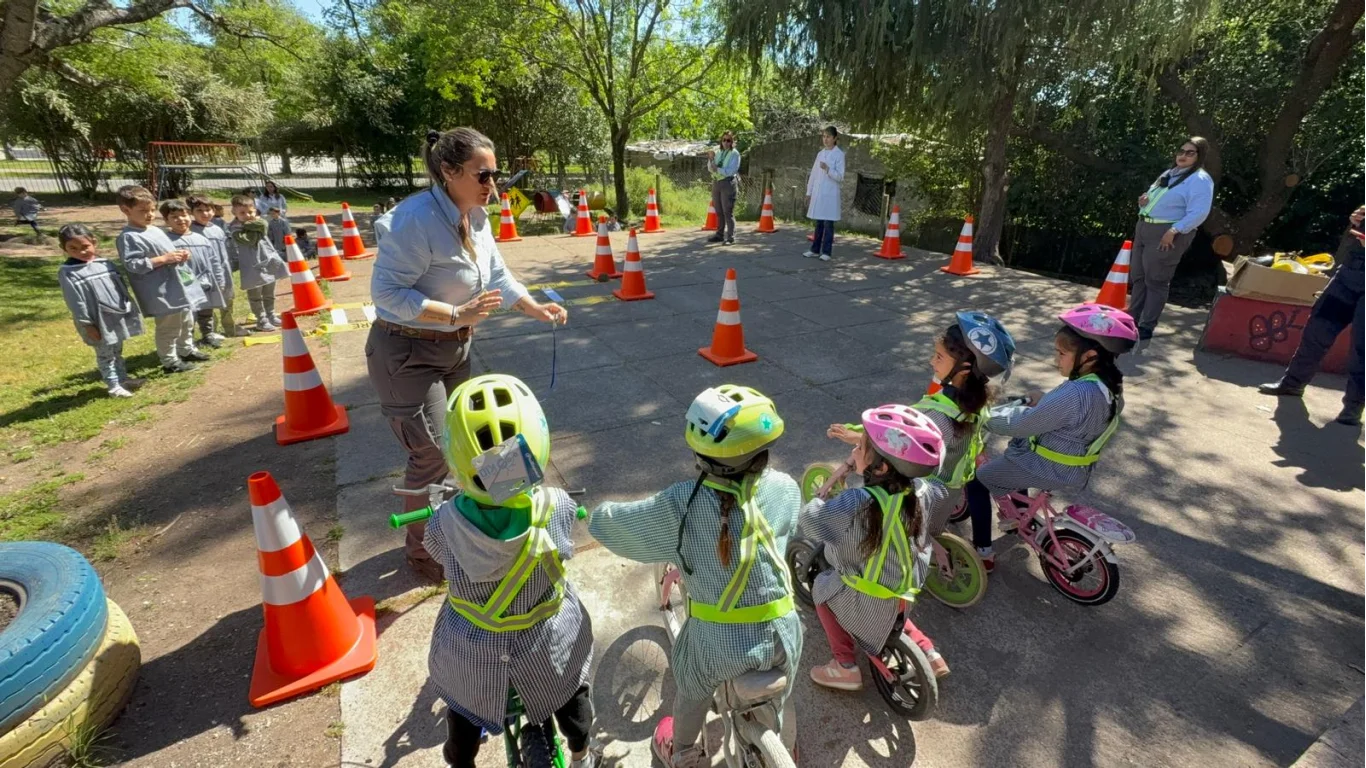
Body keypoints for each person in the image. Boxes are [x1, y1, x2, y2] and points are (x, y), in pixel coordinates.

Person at [368, 127, 567, 583]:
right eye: (483, 174)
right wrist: (455, 312)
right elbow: (386, 293)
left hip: (455, 349)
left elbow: (496, 273)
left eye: (495, 174)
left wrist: (533, 306)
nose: (492, 185)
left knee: (478, 443)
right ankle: (424, 554)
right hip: (407, 353)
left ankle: (485, 531)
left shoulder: (475, 216)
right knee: (432, 457)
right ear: (448, 171)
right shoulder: (413, 221)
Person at [589, 386, 801, 768]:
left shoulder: (681, 505)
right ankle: (784, 739)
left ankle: (684, 751)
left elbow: (617, 528)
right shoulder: (786, 489)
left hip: (718, 641)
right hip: (784, 632)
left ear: (701, 456)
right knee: (781, 692)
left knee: (691, 691)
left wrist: (592, 515)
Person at [426, 374, 597, 768]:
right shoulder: (558, 506)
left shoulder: (442, 524)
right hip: (547, 646)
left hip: (474, 653)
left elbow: (437, 554)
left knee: (463, 709)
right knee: (572, 691)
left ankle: (462, 761)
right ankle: (581, 753)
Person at [962, 304, 1137, 570]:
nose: (1057, 359)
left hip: (1048, 466)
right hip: (1073, 464)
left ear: (1088, 356)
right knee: (1013, 465)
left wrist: (981, 416)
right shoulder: (1107, 387)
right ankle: (1020, 514)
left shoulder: (1076, 394)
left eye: (1062, 353)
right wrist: (1043, 401)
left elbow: (1022, 424)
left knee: (977, 483)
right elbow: (1070, 415)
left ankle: (983, 551)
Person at [830, 312, 1018, 535]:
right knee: (927, 536)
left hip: (923, 494)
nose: (931, 361)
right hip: (950, 490)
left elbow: (895, 437)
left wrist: (854, 435)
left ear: (965, 368)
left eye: (939, 357)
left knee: (890, 533)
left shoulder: (937, 416)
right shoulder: (977, 403)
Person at [804, 405, 950, 687]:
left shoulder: (857, 501)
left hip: (867, 591)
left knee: (823, 592)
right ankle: (929, 651)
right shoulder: (923, 490)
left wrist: (817, 502)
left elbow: (814, 524)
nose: (854, 453)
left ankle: (844, 665)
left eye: (860, 447)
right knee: (890, 610)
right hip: (903, 588)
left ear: (882, 467)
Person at [1259, 205, 1366, 427]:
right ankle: (1293, 383)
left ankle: (1353, 407)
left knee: (1362, 348)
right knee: (1317, 330)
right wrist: (1358, 220)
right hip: (1348, 275)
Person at [1129, 137, 1215, 352]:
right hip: (1145, 226)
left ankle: (1145, 328)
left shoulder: (1200, 179)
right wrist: (1144, 201)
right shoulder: (1170, 173)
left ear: (1200, 156)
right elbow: (1156, 196)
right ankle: (1131, 320)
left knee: (1156, 280)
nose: (1183, 155)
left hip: (1167, 232)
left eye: (1190, 152)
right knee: (1139, 277)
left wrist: (1175, 230)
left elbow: (1199, 212)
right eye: (1181, 151)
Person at [113, 185, 208, 373]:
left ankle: (186, 349)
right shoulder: (128, 237)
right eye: (143, 211)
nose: (149, 215)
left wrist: (180, 255)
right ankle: (170, 361)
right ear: (126, 210)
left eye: (152, 210)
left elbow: (167, 252)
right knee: (169, 326)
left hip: (179, 286)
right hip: (161, 290)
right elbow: (133, 265)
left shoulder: (154, 229)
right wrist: (164, 259)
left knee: (186, 320)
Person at [57, 224, 145, 397]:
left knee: (117, 350)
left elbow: (120, 287)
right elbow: (74, 300)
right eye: (73, 248)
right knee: (105, 353)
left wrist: (127, 307)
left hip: (115, 316)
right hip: (96, 321)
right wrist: (87, 324)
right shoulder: (67, 272)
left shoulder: (105, 264)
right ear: (64, 249)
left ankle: (122, 379)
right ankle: (113, 385)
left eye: (85, 247)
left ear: (94, 242)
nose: (80, 252)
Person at [161, 200, 228, 349]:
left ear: (189, 216)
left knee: (206, 310)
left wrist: (219, 280)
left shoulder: (201, 239)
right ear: (166, 220)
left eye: (184, 215)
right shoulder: (165, 241)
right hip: (184, 286)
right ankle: (187, 342)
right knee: (189, 316)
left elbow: (214, 262)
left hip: (205, 282)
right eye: (174, 217)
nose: (181, 220)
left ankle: (208, 334)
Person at [226, 193, 288, 332]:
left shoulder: (258, 222)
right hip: (251, 266)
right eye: (242, 213)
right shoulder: (235, 228)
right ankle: (261, 319)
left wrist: (256, 225)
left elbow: (264, 224)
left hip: (267, 261)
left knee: (269, 291)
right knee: (255, 295)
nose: (247, 215)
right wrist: (257, 227)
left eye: (250, 212)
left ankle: (271, 315)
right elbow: (249, 239)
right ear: (234, 212)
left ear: (255, 210)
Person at [188, 195, 244, 338]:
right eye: (200, 210)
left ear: (213, 211)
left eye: (208, 210)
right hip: (204, 274)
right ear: (191, 212)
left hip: (223, 271)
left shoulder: (218, 229)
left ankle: (230, 328)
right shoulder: (190, 231)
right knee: (208, 304)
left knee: (228, 300)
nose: (205, 214)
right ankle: (211, 331)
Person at [803, 126, 846, 262]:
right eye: (824, 136)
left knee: (828, 223)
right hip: (819, 193)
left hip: (830, 194)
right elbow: (814, 174)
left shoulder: (839, 155)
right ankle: (815, 249)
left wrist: (828, 169)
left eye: (828, 137)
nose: (825, 139)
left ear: (834, 138)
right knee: (819, 222)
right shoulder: (820, 154)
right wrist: (809, 192)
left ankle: (826, 251)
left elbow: (840, 176)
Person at [706, 131, 740, 245]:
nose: (726, 142)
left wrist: (718, 169)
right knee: (719, 211)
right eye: (724, 140)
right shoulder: (718, 152)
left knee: (727, 211)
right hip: (717, 182)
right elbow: (711, 168)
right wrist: (711, 159)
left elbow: (732, 170)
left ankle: (731, 237)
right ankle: (719, 234)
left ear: (732, 142)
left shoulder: (735, 154)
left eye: (728, 140)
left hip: (728, 182)